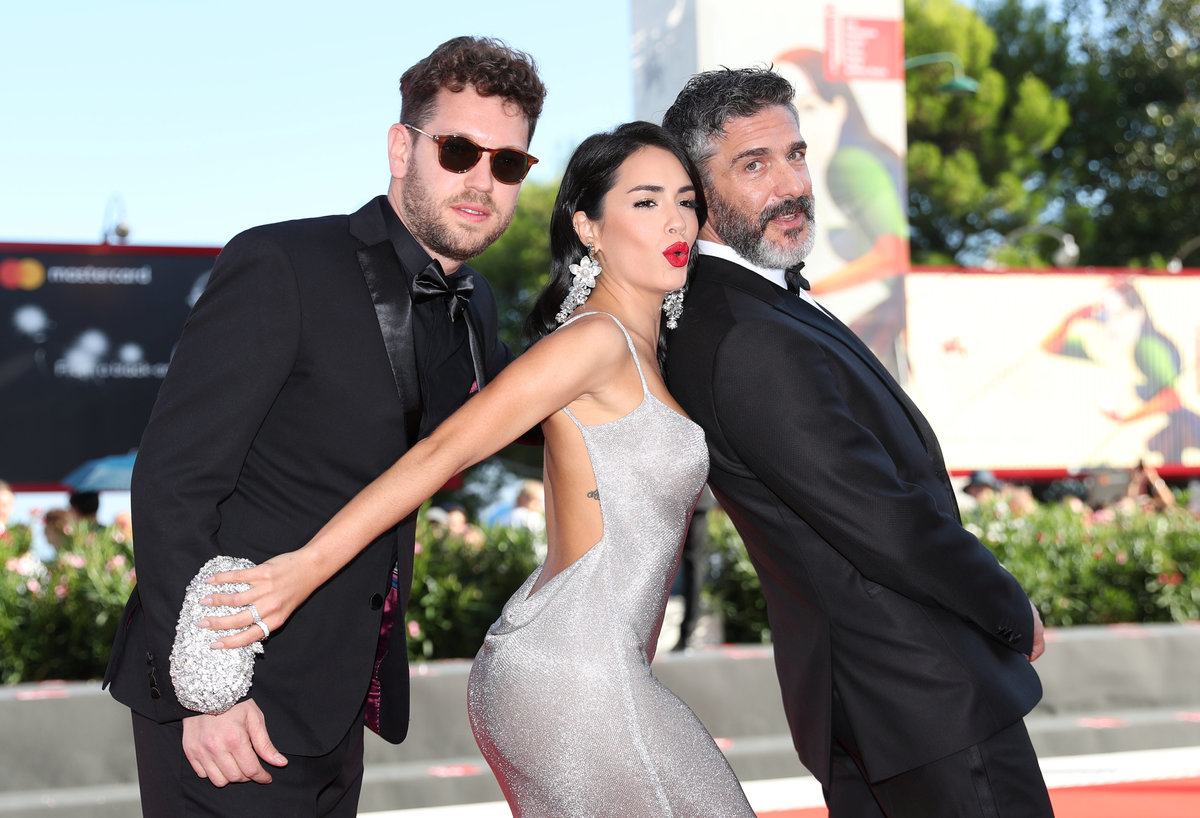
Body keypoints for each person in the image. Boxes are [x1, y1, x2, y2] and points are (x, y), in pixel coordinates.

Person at [201, 121, 755, 816]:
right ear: (588, 227)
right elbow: (443, 452)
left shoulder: (642, 353)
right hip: (575, 673)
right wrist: (302, 570)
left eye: (685, 202)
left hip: (590, 668)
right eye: (645, 202)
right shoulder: (594, 342)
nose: (676, 221)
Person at [101, 36, 546, 817]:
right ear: (400, 148)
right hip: (229, 703)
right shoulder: (284, 263)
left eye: (507, 162)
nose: (482, 180)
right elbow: (174, 480)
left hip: (339, 702)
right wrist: (209, 692)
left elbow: (522, 418)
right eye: (458, 151)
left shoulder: (474, 304)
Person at [661, 67, 1053, 817]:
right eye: (754, 164)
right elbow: (882, 516)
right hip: (921, 695)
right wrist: (1006, 606)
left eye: (796, 154)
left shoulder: (749, 309)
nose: (791, 185)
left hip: (881, 706)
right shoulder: (746, 335)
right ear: (696, 193)